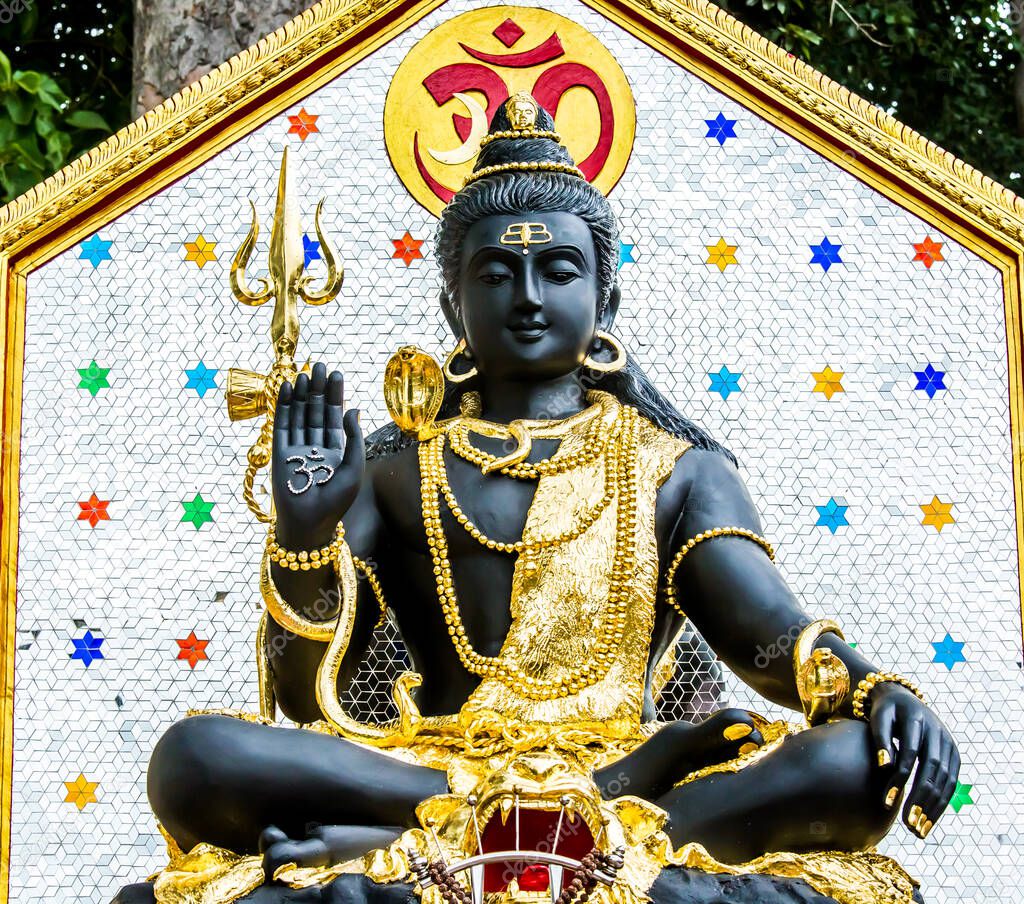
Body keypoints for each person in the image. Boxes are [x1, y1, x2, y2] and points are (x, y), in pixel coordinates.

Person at [144, 93, 957, 900]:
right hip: (450, 763)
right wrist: (303, 536)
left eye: (558, 269)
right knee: (194, 759)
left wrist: (873, 687)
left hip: (628, 762)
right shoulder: (396, 469)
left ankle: (457, 837)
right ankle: (552, 822)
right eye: (495, 273)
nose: (528, 295)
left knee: (856, 763)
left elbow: (771, 635)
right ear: (451, 305)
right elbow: (300, 695)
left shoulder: (679, 469)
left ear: (605, 296)